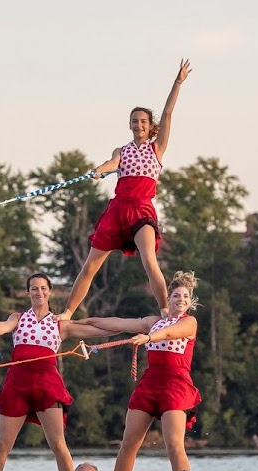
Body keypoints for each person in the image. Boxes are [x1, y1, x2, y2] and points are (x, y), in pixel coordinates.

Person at [56, 59, 192, 322]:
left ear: (149, 125)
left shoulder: (157, 148)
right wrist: (99, 169)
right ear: (129, 124)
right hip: (118, 209)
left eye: (142, 121)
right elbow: (111, 164)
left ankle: (164, 310)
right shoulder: (122, 150)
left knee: (148, 260)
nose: (138, 125)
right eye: (134, 121)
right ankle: (67, 313)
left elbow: (167, 114)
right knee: (90, 265)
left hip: (142, 210)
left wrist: (177, 83)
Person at [0, 272, 118, 471]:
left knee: (58, 443)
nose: (39, 292)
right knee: (2, 444)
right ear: (28, 292)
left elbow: (99, 329)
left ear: (49, 291)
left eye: (43, 288)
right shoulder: (18, 317)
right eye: (34, 288)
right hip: (17, 385)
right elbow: (2, 325)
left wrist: (135, 329)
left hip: (47, 385)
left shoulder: (60, 323)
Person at [74, 271, 201, 471]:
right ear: (168, 299)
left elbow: (171, 333)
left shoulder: (188, 322)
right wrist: (80, 322)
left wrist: (149, 338)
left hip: (175, 385)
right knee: (129, 441)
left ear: (190, 301)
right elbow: (118, 323)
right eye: (176, 295)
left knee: (174, 444)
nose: (180, 299)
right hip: (150, 383)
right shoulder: (154, 322)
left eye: (185, 296)